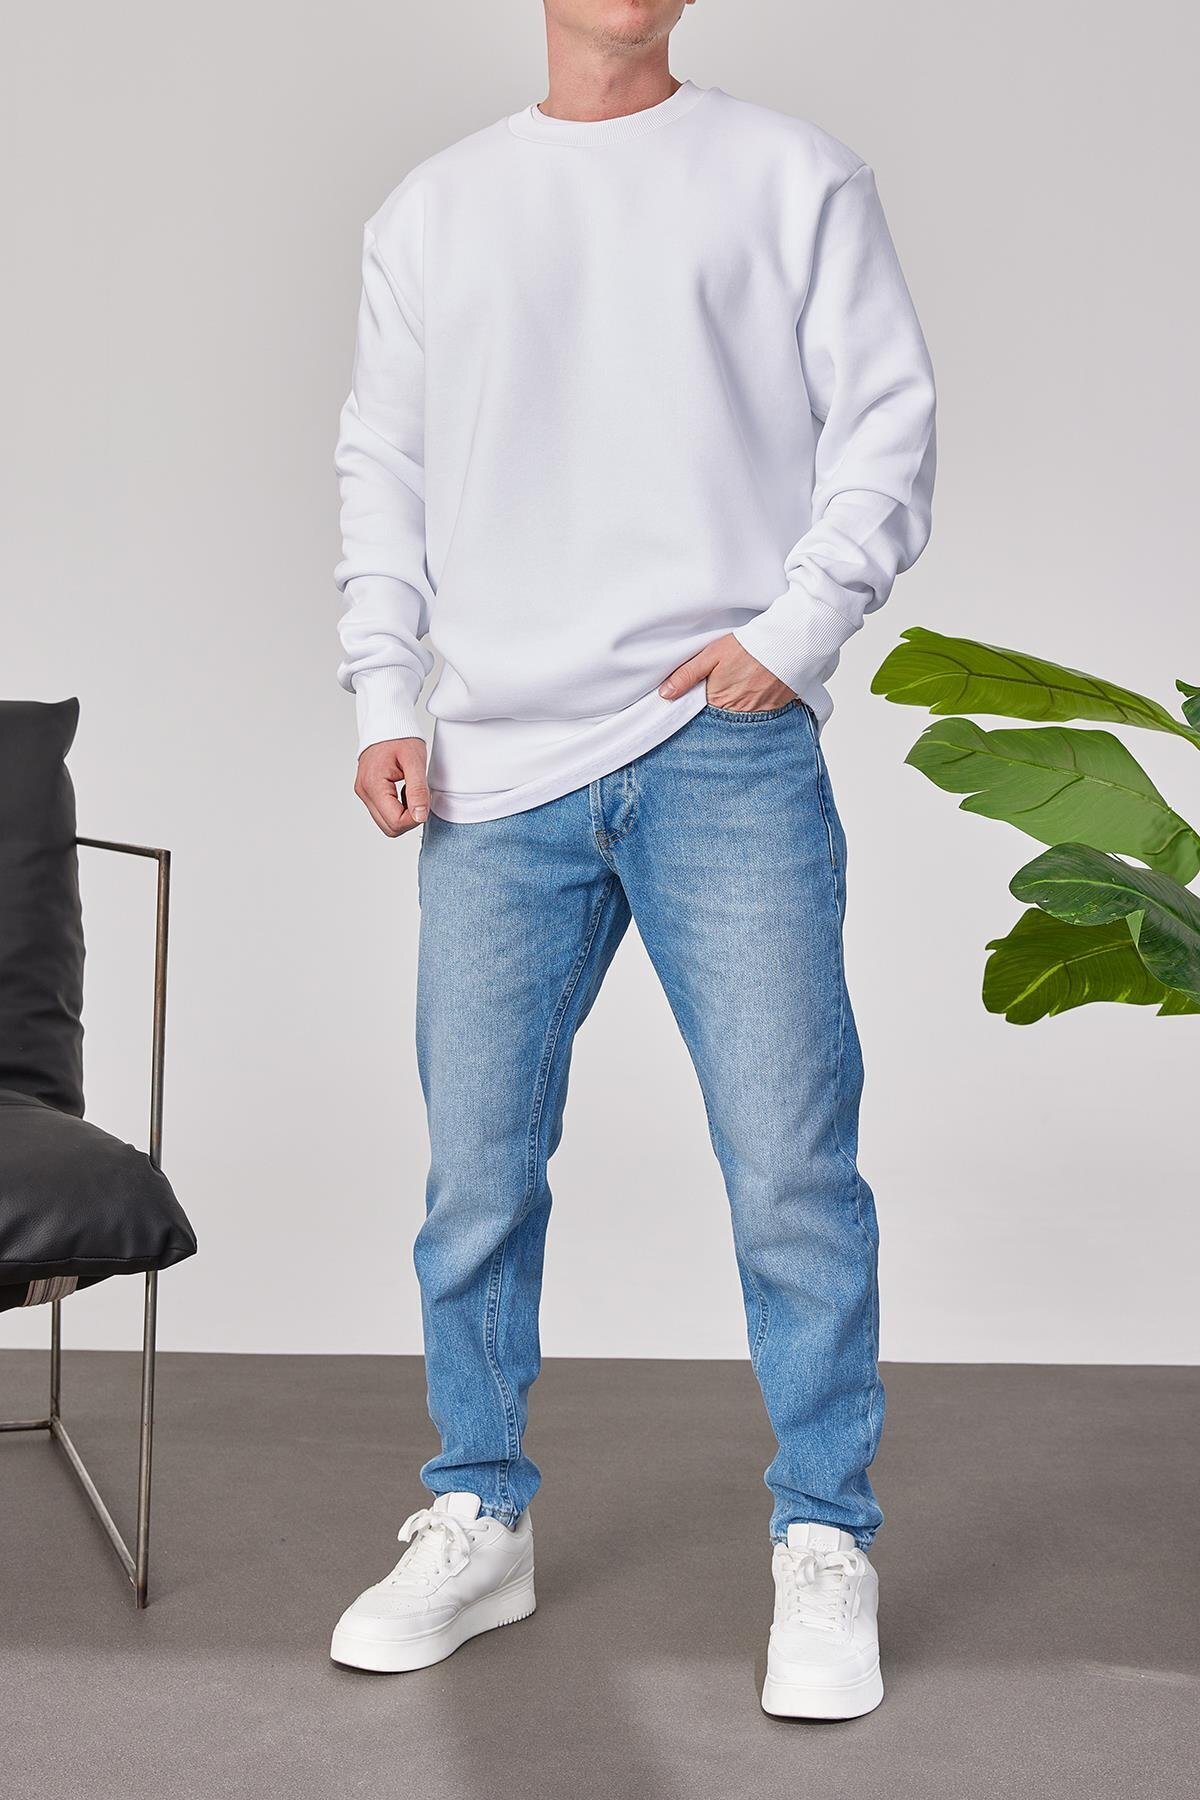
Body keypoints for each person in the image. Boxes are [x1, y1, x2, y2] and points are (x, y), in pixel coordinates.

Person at [329, 0, 934, 1720]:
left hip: (718, 749)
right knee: (475, 1178)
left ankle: (824, 1537)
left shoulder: (792, 176)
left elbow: (886, 426)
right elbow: (381, 465)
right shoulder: (434, 209)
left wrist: (792, 634)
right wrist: (386, 690)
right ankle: (477, 1513)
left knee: (791, 1171)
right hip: (493, 766)